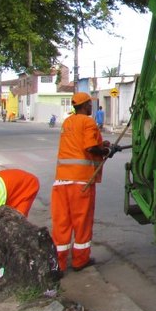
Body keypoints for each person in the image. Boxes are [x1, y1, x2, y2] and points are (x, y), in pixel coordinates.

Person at [51, 92, 112, 272]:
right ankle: (79, 260)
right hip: (81, 182)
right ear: (85, 105)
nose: (91, 107)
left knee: (61, 223)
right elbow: (90, 147)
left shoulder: (68, 122)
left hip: (61, 181)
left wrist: (104, 146)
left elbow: (79, 145)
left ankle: (59, 263)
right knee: (82, 222)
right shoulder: (88, 122)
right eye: (90, 104)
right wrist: (106, 150)